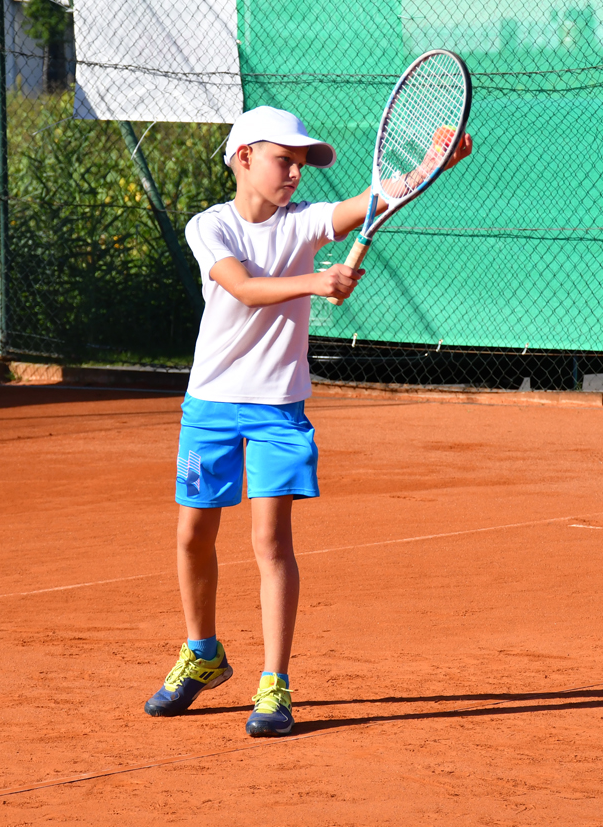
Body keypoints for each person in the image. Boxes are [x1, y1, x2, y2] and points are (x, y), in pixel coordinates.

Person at [143, 105, 471, 737]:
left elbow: (371, 199)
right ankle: (203, 654)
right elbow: (243, 288)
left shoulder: (305, 222)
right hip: (210, 405)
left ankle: (274, 684)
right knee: (192, 536)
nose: (295, 173)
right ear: (243, 158)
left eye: (301, 164)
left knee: (271, 543)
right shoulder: (209, 226)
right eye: (284, 160)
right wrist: (316, 282)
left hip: (278, 410)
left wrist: (433, 164)